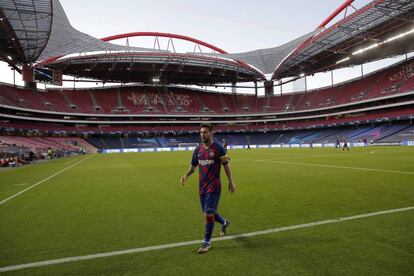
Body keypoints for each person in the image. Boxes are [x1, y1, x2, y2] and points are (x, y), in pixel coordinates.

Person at [180, 124, 236, 254]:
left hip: (214, 186)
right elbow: (193, 166)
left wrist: (231, 182)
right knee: (209, 211)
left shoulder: (218, 149)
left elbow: (226, 166)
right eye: (200, 132)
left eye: (205, 132)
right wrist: (186, 176)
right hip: (202, 187)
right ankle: (224, 222)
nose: (202, 134)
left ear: (211, 133)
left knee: (208, 213)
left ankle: (206, 242)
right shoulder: (198, 150)